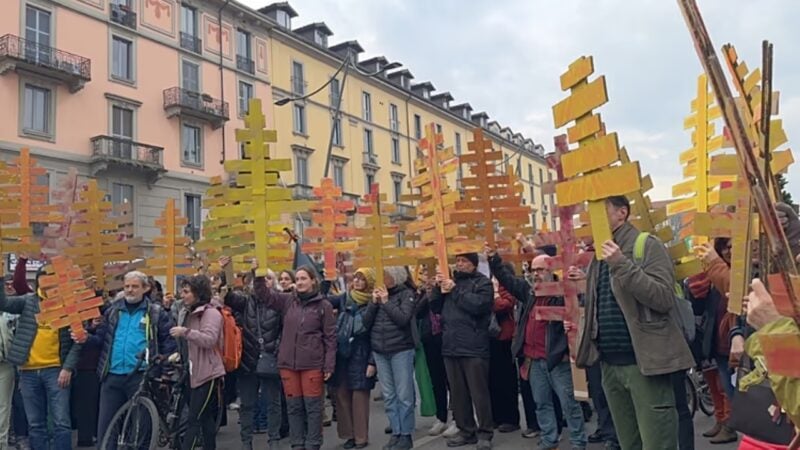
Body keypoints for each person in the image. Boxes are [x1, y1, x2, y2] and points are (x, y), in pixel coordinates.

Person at [574, 196, 694, 450]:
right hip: (610, 364)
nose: (593, 217)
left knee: (657, 443)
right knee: (629, 443)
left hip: (644, 364)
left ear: (622, 213)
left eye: (601, 210)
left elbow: (662, 298)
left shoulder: (646, 244)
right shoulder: (598, 256)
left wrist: (621, 263)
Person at [488, 251, 587, 450]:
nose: (536, 274)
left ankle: (578, 442)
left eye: (540, 269)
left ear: (551, 270)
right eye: (533, 270)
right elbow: (508, 280)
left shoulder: (562, 292)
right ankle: (549, 439)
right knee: (541, 403)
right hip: (533, 359)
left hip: (556, 359)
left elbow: (580, 308)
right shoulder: (530, 292)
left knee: (569, 404)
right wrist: (494, 260)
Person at [0, 256, 83, 450]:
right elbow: (3, 304)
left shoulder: (67, 305)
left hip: (56, 371)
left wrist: (68, 368)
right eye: (43, 279)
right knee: (35, 424)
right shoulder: (27, 301)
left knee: (61, 422)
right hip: (28, 372)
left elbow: (78, 341)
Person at [88, 270, 176, 446]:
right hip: (112, 375)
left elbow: (168, 343)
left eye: (135, 286)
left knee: (139, 431)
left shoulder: (156, 313)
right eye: (127, 286)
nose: (130, 290)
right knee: (106, 429)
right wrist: (86, 336)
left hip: (141, 375)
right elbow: (101, 339)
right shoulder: (113, 311)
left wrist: (166, 372)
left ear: (145, 288)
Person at [254, 265, 336, 450]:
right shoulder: (288, 300)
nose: (299, 282)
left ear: (313, 281)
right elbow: (264, 295)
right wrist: (258, 276)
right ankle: (297, 443)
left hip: (312, 364)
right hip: (288, 364)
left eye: (303, 278)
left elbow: (330, 338)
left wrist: (329, 365)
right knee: (293, 407)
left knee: (313, 408)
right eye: (297, 279)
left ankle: (313, 443)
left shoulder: (324, 306)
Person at [431, 253, 495, 450]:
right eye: (457, 260)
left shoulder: (482, 283)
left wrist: (455, 290)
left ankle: (485, 432)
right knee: (458, 394)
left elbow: (478, 306)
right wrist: (437, 289)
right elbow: (435, 308)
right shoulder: (452, 282)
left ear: (473, 264)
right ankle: (466, 430)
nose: (460, 264)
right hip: (451, 345)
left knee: (479, 393)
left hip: (474, 346)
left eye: (464, 261)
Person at [221, 257, 284, 450]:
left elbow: (284, 330)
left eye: (268, 278)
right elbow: (228, 297)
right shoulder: (245, 302)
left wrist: (277, 350)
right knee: (247, 404)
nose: (264, 282)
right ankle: (246, 442)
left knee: (273, 403)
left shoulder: (280, 303)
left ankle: (274, 440)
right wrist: (227, 271)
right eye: (260, 278)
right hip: (248, 360)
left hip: (271, 358)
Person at [363, 267, 417, 450]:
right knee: (389, 395)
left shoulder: (406, 294)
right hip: (380, 350)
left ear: (394, 277)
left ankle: (406, 434)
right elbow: (365, 323)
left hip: (401, 349)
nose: (381, 278)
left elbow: (403, 319)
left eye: (384, 275)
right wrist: (373, 303)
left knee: (404, 395)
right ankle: (396, 431)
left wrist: (386, 303)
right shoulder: (376, 295)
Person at [169, 275, 225, 450]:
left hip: (207, 372)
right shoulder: (187, 312)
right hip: (192, 371)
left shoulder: (211, 313)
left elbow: (209, 339)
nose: (182, 295)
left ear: (198, 293)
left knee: (193, 418)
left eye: (186, 292)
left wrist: (186, 332)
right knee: (205, 417)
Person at [328, 268, 377, 449]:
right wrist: (326, 280)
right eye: (355, 278)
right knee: (342, 395)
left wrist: (372, 361)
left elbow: (375, 334)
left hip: (361, 353)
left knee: (359, 397)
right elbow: (324, 300)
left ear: (369, 282)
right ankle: (349, 435)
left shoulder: (374, 301)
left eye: (361, 279)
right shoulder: (344, 298)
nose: (356, 281)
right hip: (342, 353)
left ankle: (361, 437)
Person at [414, 266, 455, 437]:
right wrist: (427, 293)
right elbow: (416, 312)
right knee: (436, 380)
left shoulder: (448, 288)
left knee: (452, 381)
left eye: (433, 273)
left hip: (446, 338)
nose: (429, 277)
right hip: (430, 339)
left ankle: (458, 418)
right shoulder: (421, 293)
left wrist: (438, 289)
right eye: (425, 273)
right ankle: (441, 417)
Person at [488, 275, 520, 433]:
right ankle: (496, 416)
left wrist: (495, 293)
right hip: (488, 338)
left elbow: (503, 305)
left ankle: (510, 418)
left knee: (506, 379)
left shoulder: (505, 285)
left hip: (504, 337)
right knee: (492, 379)